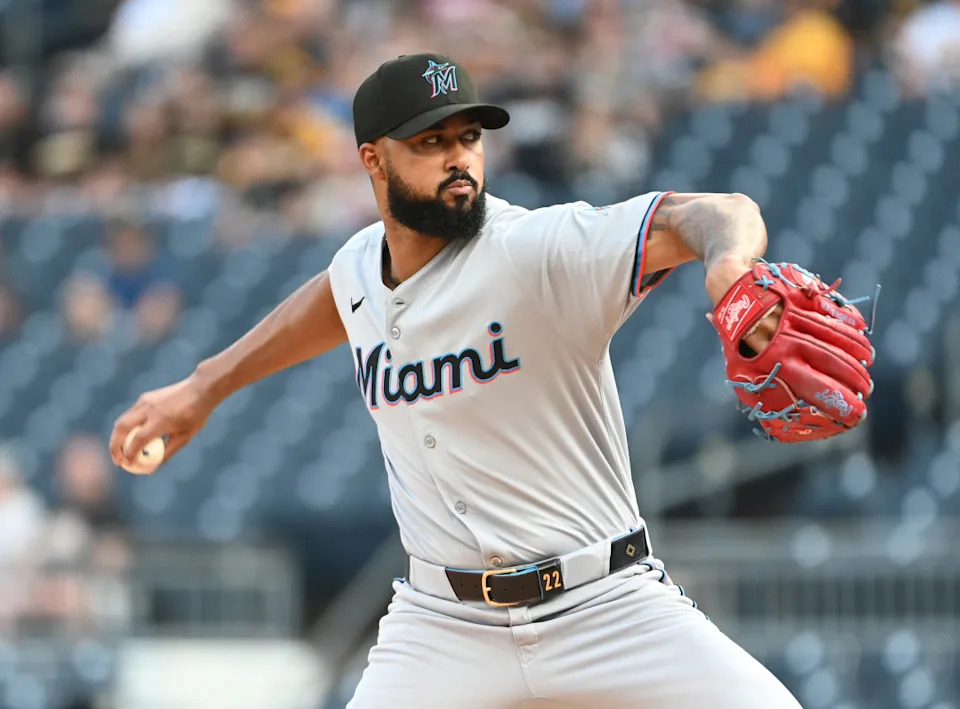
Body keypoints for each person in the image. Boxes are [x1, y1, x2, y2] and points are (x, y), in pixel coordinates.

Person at [110, 53, 801, 708]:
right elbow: (334, 299)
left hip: (604, 604)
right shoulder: (359, 268)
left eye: (469, 136)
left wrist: (730, 260)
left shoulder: (537, 250)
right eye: (431, 141)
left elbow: (713, 212)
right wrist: (205, 385)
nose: (459, 158)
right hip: (443, 623)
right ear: (373, 160)